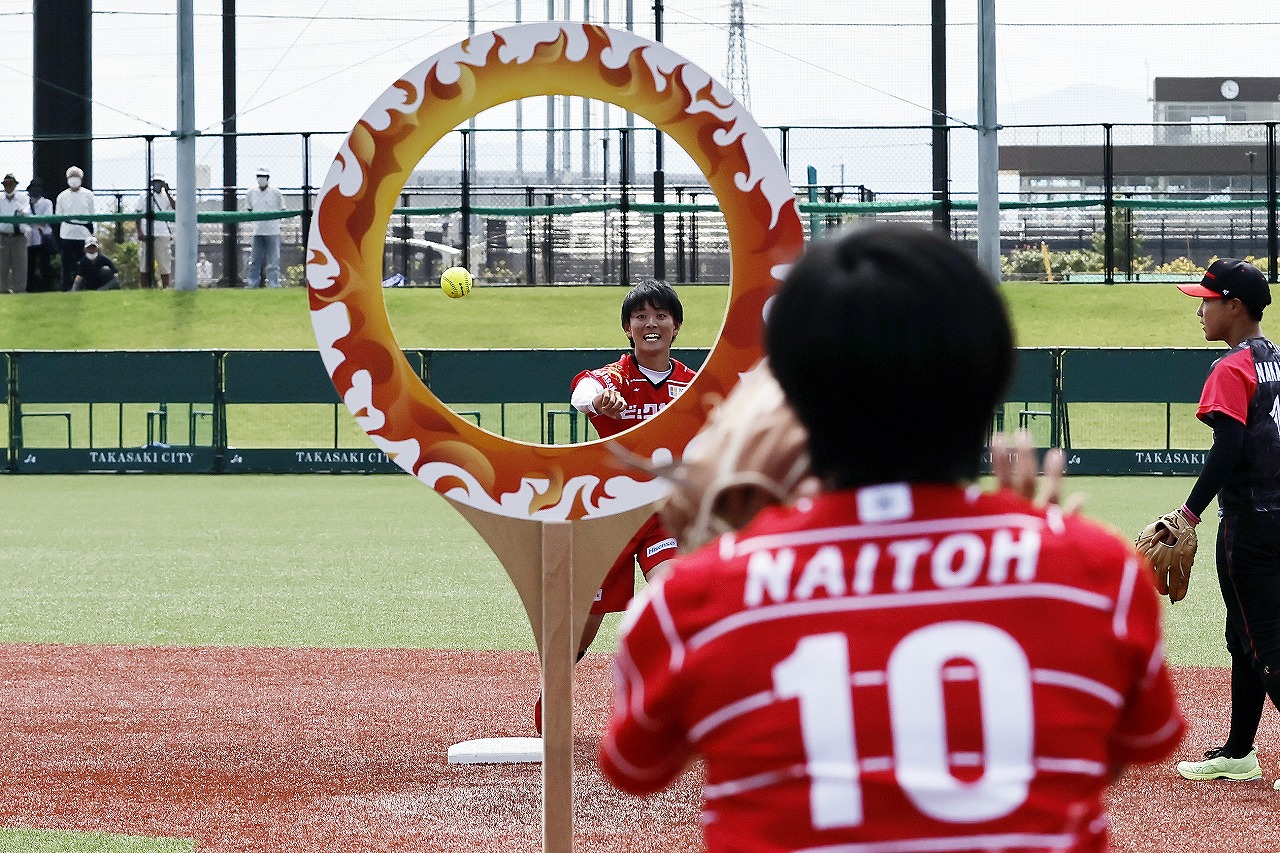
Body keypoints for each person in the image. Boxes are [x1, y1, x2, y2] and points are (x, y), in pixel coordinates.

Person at [599, 225, 1185, 852]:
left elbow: (634, 767)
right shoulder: (1094, 569)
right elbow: (1117, 755)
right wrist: (1038, 553)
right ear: (994, 374)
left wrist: (727, 549)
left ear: (789, 395)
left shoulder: (700, 594)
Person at [530, 281, 696, 734]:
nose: (651, 323)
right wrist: (597, 401)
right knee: (584, 624)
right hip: (609, 516)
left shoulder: (692, 384)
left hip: (664, 516)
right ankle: (552, 701)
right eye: (640, 316)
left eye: (661, 315)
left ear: (676, 327)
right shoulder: (610, 379)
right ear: (627, 328)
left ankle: (667, 710)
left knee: (672, 602)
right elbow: (580, 390)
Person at [1161, 258, 1280, 789]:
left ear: (1235, 307)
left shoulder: (1231, 368)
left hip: (1250, 524)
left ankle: (1240, 750)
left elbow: (1228, 445)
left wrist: (1189, 512)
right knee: (1243, 637)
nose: (1200, 310)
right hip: (1275, 513)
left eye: (1208, 300)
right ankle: (1238, 751)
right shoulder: (1272, 359)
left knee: (1264, 642)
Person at [55, 165, 95, 292]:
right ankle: (66, 287)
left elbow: (92, 214)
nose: (74, 179)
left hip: (83, 235)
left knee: (85, 262)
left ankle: (86, 287)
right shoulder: (62, 196)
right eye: (71, 177)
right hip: (67, 235)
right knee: (66, 264)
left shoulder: (88, 195)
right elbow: (58, 215)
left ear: (81, 179)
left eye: (76, 177)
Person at [244, 166, 284, 288]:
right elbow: (249, 209)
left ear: (268, 178)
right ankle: (253, 284)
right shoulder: (251, 192)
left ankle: (273, 284)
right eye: (259, 176)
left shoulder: (276, 192)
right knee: (255, 260)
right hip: (257, 232)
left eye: (264, 176)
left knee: (273, 261)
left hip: (273, 231)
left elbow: (282, 209)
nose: (261, 179)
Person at [133, 173, 174, 288]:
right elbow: (138, 214)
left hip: (163, 233)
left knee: (164, 263)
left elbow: (175, 206)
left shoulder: (166, 196)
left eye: (160, 182)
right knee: (144, 264)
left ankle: (165, 287)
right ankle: (145, 288)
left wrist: (169, 192)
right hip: (147, 233)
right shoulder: (144, 196)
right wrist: (140, 232)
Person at [25, 178, 56, 293]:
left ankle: (47, 289)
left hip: (43, 238)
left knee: (45, 265)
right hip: (30, 238)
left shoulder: (47, 202)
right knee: (29, 265)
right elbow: (24, 219)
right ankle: (29, 289)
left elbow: (46, 220)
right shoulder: (25, 203)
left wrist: (33, 221)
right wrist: (36, 221)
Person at [0, 173, 29, 294]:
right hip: (2, 236)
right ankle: (2, 291)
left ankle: (19, 291)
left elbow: (27, 213)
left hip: (19, 236)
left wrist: (20, 211)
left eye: (11, 184)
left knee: (20, 266)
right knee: (2, 266)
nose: (9, 186)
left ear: (15, 185)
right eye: (6, 184)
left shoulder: (23, 198)